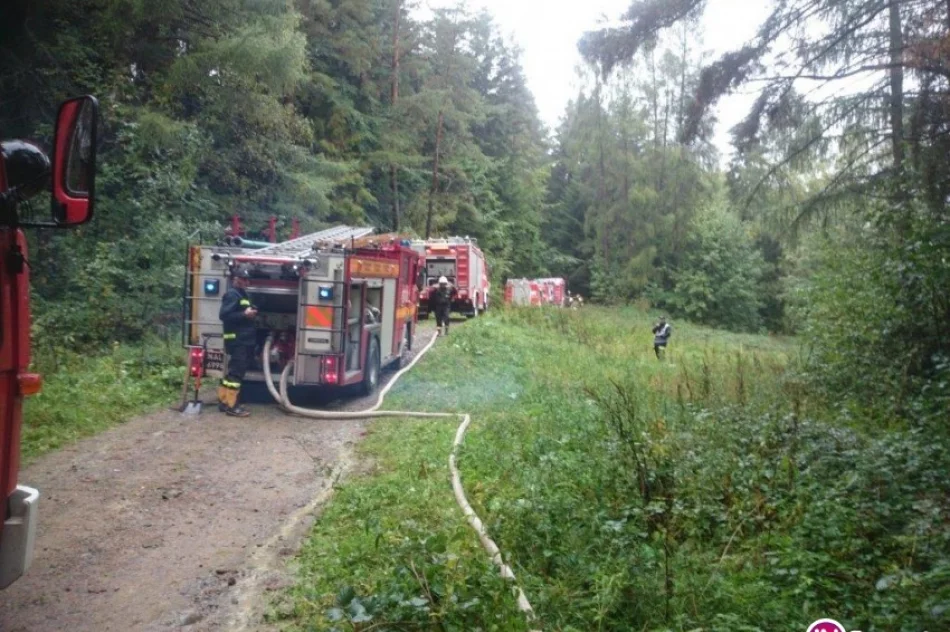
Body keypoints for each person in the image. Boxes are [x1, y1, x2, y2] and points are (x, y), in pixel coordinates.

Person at [218, 264, 258, 417]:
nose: (246, 282)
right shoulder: (232, 295)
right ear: (236, 279)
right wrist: (244, 315)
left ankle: (224, 401)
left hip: (244, 340)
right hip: (237, 340)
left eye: (247, 279)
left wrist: (252, 311)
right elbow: (224, 316)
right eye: (243, 279)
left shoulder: (242, 295)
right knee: (236, 373)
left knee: (232, 372)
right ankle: (232, 406)